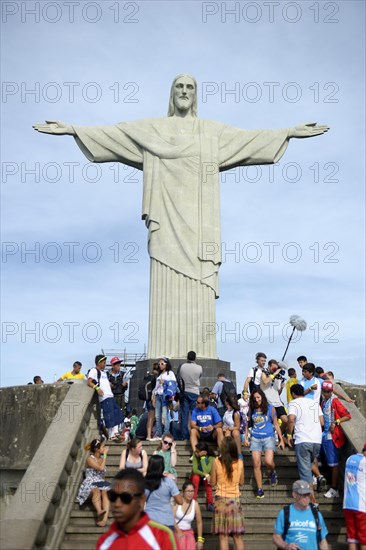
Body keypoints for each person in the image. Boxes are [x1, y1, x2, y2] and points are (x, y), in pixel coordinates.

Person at [34, 75, 328, 360]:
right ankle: (163, 350)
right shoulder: (154, 129)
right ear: (171, 94)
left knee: (200, 281)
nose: (185, 91)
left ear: (196, 94)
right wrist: (73, 129)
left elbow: (248, 140)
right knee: (165, 276)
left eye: (190, 87)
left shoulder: (211, 132)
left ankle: (200, 350)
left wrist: (287, 132)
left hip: (201, 225)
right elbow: (116, 135)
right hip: (165, 220)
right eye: (179, 86)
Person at [96, 468, 177, 549]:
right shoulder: (104, 542)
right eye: (113, 496)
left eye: (125, 498)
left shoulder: (162, 537)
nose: (117, 504)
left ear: (141, 501)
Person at [287, 384, 324, 505]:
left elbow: (291, 419)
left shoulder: (294, 403)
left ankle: (313, 503)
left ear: (293, 394)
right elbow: (322, 422)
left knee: (305, 474)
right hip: (317, 440)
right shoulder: (314, 402)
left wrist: (288, 434)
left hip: (303, 439)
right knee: (308, 468)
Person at [244, 389, 284, 498]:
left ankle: (272, 471)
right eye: (255, 398)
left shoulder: (271, 408)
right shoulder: (252, 409)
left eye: (258, 397)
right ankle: (260, 489)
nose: (257, 400)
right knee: (256, 463)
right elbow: (247, 424)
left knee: (268, 461)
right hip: (255, 438)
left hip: (268, 437)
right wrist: (246, 437)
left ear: (262, 396)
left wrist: (281, 439)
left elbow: (276, 424)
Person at [273, 479, 329, 550]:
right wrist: (286, 546)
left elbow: (322, 541)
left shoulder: (317, 515)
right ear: (294, 494)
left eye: (308, 494)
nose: (306, 497)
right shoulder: (285, 512)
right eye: (303, 494)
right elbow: (276, 537)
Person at [211, 436, 245, 550]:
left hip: (220, 500)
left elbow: (212, 482)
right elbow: (241, 482)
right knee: (237, 536)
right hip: (234, 500)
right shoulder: (240, 463)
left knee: (223, 537)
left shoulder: (216, 462)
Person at [320, 380, 351, 498]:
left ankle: (334, 488)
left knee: (333, 463)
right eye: (324, 391)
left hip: (331, 436)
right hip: (324, 434)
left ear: (331, 391)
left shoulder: (335, 401)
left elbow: (347, 415)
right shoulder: (324, 401)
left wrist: (336, 422)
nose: (326, 393)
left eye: (328, 391)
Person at [87, 355, 124, 441]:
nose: (105, 364)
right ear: (99, 363)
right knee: (109, 414)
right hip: (104, 397)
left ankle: (115, 432)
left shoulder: (104, 373)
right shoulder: (94, 370)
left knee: (117, 412)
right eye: (104, 363)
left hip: (110, 395)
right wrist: (97, 388)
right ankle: (111, 435)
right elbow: (89, 381)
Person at [76, 438, 110, 527]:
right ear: (97, 449)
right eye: (102, 447)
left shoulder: (102, 459)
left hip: (100, 481)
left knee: (105, 491)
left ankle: (105, 519)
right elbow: (101, 468)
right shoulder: (89, 459)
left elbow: (102, 475)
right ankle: (99, 512)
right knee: (96, 490)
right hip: (90, 482)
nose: (104, 448)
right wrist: (105, 455)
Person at [144, 455, 183, 531]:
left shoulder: (144, 483)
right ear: (162, 467)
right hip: (166, 521)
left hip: (149, 521)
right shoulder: (168, 481)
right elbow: (180, 501)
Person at [343, 443, 366, 550]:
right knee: (364, 539)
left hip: (347, 503)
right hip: (362, 505)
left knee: (352, 538)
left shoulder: (350, 458)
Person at [260, 359, 288, 439]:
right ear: (269, 366)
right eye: (273, 368)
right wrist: (275, 373)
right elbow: (265, 381)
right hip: (268, 403)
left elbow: (277, 393)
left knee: (286, 420)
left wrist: (281, 388)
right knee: (269, 423)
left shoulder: (276, 378)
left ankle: (280, 436)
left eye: (276, 368)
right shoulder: (264, 373)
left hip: (277, 402)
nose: (275, 370)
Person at [178, 351, 203, 440]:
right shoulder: (199, 368)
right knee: (194, 414)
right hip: (195, 392)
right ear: (195, 358)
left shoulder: (182, 366)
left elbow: (180, 377)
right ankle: (195, 434)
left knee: (184, 414)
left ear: (187, 357)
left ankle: (184, 436)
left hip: (184, 391)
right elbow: (199, 376)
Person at [174, 480, 204, 550]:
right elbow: (171, 518)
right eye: (188, 491)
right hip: (176, 531)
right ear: (183, 492)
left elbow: (199, 522)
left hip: (189, 533)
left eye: (192, 491)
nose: (190, 493)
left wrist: (200, 540)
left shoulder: (195, 504)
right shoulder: (178, 501)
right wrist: (178, 531)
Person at [152, 357, 177, 438]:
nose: (160, 365)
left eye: (162, 363)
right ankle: (159, 433)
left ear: (166, 364)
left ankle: (166, 433)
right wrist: (154, 396)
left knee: (165, 415)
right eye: (159, 364)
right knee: (157, 416)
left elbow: (173, 384)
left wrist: (165, 382)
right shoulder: (159, 375)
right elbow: (156, 387)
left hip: (165, 395)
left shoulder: (170, 373)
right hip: (158, 395)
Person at [191, 441, 215, 512]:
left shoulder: (211, 458)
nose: (196, 453)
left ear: (204, 452)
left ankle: (210, 503)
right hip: (197, 476)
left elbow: (207, 470)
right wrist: (205, 474)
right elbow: (195, 470)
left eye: (198, 452)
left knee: (208, 480)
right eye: (196, 451)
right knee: (195, 477)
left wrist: (202, 458)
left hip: (206, 479)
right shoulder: (195, 455)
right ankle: (193, 502)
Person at [145, 363, 159, 441]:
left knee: (150, 417)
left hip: (147, 399)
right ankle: (150, 435)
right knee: (152, 418)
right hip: (153, 399)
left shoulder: (148, 376)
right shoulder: (156, 377)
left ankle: (149, 435)